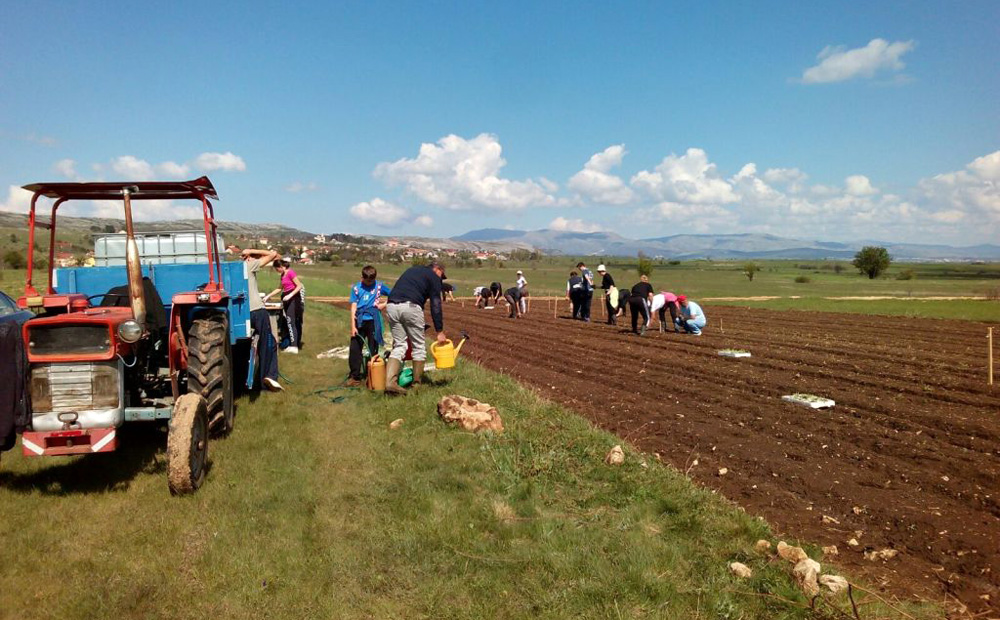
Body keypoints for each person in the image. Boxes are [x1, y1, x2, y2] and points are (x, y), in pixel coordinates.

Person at [385, 262, 448, 394]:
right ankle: (416, 385)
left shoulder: (413, 270)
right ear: (438, 269)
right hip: (411, 307)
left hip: (391, 305)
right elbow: (436, 304)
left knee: (399, 346)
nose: (441, 279)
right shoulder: (434, 276)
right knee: (418, 346)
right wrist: (439, 331)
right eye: (442, 275)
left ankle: (390, 382)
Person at [240, 248, 282, 391]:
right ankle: (268, 379)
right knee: (269, 343)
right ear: (249, 258)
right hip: (257, 311)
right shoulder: (250, 265)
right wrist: (251, 250)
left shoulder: (236, 269)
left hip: (243, 314)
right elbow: (273, 254)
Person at [346, 265, 391, 387]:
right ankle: (355, 376)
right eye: (367, 281)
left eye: (372, 281)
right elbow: (353, 307)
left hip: (373, 322)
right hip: (359, 321)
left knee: (373, 349)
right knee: (355, 349)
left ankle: (372, 376)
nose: (369, 283)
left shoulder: (379, 286)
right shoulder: (356, 288)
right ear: (362, 277)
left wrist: (383, 305)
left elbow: (393, 294)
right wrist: (353, 326)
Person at [267, 258, 305, 353]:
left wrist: (290, 295)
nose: (277, 271)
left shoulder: (290, 272)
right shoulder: (283, 275)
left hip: (293, 299)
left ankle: (294, 346)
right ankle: (292, 344)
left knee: (290, 321)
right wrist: (268, 296)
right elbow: (280, 288)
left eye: (277, 269)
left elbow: (299, 285)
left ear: (280, 267)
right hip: (287, 298)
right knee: (289, 321)